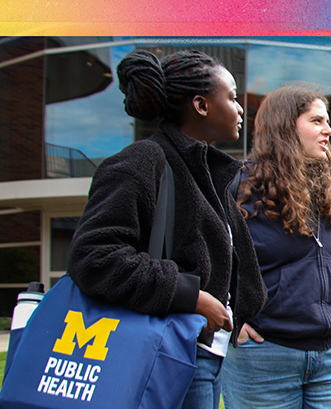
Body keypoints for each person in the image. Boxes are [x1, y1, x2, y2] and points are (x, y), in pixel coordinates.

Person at [67, 50, 267, 409]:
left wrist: (242, 312)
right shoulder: (141, 163)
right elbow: (92, 257)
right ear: (201, 105)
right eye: (232, 97)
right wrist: (190, 295)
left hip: (200, 354)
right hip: (161, 354)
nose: (240, 109)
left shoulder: (207, 174)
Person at [221, 83, 331, 409]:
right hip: (262, 357)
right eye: (317, 121)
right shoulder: (238, 190)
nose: (329, 130)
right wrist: (232, 320)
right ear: (285, 127)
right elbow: (213, 262)